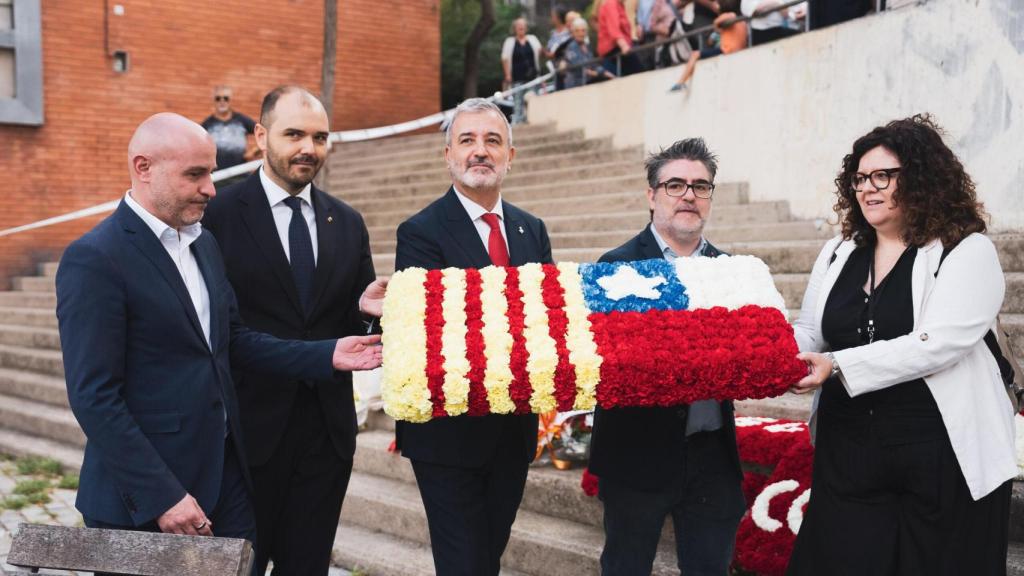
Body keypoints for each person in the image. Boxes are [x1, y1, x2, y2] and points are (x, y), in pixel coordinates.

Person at [54, 113, 382, 566]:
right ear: (143, 167)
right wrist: (162, 496)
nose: (211, 187)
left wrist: (328, 354)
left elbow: (234, 341)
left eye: (210, 172)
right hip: (144, 501)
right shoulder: (95, 258)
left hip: (226, 481)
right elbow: (94, 397)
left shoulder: (204, 243)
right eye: (195, 174)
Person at [787, 114, 1016, 575]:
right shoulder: (838, 252)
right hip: (848, 455)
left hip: (938, 456)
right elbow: (810, 329)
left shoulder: (965, 249)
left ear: (922, 178)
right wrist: (761, 353)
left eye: (883, 176)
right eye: (859, 178)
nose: (868, 188)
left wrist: (835, 364)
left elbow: (937, 343)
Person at [201, 86, 383, 575]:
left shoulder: (347, 222)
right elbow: (221, 332)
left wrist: (366, 313)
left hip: (326, 439)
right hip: (246, 437)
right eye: (294, 134)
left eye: (320, 137)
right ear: (261, 137)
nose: (309, 147)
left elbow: (348, 323)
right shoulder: (216, 216)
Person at [394, 98, 553, 575]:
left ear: (510, 155)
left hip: (512, 430)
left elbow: (545, 318)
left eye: (492, 141)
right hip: (448, 435)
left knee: (488, 557)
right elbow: (439, 329)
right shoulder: (419, 232)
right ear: (448, 155)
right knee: (463, 563)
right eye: (467, 141)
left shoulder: (532, 229)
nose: (479, 151)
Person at [589, 138, 746, 576]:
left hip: (711, 455)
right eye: (675, 184)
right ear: (652, 195)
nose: (689, 195)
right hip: (636, 454)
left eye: (701, 186)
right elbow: (610, 364)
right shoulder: (614, 266)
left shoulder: (732, 271)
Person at [670, 0, 747, 91]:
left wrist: (717, 26)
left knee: (695, 54)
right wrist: (718, 32)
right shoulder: (742, 22)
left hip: (727, 50)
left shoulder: (729, 16)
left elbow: (717, 21)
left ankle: (681, 82)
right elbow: (711, 41)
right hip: (735, 50)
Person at [201, 86, 259, 186]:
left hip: (241, 174)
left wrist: (254, 151)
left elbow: (263, 133)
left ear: (231, 101)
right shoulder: (207, 124)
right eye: (218, 98)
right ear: (214, 101)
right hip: (217, 177)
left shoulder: (241, 120)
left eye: (226, 98)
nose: (222, 101)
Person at [501, 18, 542, 125]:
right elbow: (504, 58)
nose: (521, 27)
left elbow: (540, 52)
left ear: (526, 27)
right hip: (517, 77)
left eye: (523, 25)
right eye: (519, 25)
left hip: (533, 76)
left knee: (533, 99)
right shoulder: (509, 42)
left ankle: (534, 121)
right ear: (514, 28)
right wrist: (507, 75)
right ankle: (518, 123)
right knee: (518, 102)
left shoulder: (532, 39)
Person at [559, 18, 616, 89]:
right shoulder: (571, 48)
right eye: (577, 31)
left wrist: (604, 72)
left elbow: (594, 65)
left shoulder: (587, 46)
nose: (580, 33)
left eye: (583, 30)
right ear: (573, 33)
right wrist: (599, 74)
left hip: (588, 81)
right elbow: (581, 69)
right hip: (577, 84)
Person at [598, 0, 643, 77]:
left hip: (619, 47)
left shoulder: (619, 5)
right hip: (615, 48)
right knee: (639, 73)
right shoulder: (611, 4)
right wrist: (623, 45)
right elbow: (613, 27)